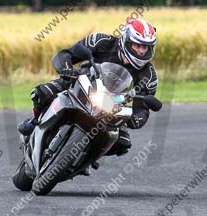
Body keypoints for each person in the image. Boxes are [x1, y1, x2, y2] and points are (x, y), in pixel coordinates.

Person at [17, 17, 159, 156]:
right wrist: (66, 69)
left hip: (113, 106)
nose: (141, 51)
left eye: (145, 47)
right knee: (42, 92)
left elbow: (143, 108)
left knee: (122, 144)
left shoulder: (149, 75)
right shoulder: (102, 41)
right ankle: (34, 120)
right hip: (81, 83)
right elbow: (66, 54)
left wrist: (136, 118)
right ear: (126, 40)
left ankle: (86, 159)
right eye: (137, 45)